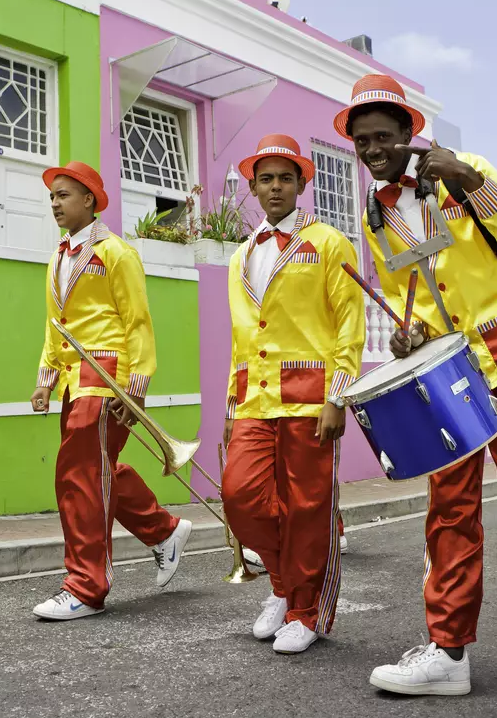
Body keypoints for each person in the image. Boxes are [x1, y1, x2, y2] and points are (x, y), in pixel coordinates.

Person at [335, 74, 497, 696]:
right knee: (449, 509)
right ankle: (448, 651)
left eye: (382, 137)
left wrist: (471, 183)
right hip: (446, 374)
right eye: (361, 140)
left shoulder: (464, 170)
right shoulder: (375, 214)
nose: (372, 149)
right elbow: (409, 298)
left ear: (409, 133)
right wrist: (409, 333)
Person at [30, 161, 192, 621]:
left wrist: (135, 389)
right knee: (98, 470)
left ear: (90, 199)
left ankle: (86, 585)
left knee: (79, 475)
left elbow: (137, 322)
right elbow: (53, 326)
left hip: (106, 378)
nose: (55, 204)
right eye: (52, 197)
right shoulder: (58, 256)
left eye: (63, 195)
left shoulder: (116, 253)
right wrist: (44, 379)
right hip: (71, 379)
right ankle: (164, 532)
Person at [222, 134, 365, 655]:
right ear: (254, 188)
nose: (275, 186)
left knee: (309, 508)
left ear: (302, 184)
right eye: (266, 179)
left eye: (285, 177)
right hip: (254, 399)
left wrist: (338, 396)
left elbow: (350, 324)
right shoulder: (241, 255)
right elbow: (242, 338)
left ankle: (306, 610)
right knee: (240, 496)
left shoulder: (328, 242)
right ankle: (283, 587)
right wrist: (230, 407)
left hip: (311, 398)